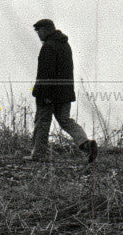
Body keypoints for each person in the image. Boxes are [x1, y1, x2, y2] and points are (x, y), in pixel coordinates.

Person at [27, 18, 97, 164]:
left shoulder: (48, 47)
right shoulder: (65, 45)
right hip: (64, 93)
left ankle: (38, 154)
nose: (38, 34)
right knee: (65, 120)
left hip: (49, 94)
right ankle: (86, 144)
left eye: (39, 31)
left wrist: (45, 94)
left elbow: (46, 73)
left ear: (46, 30)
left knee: (42, 122)